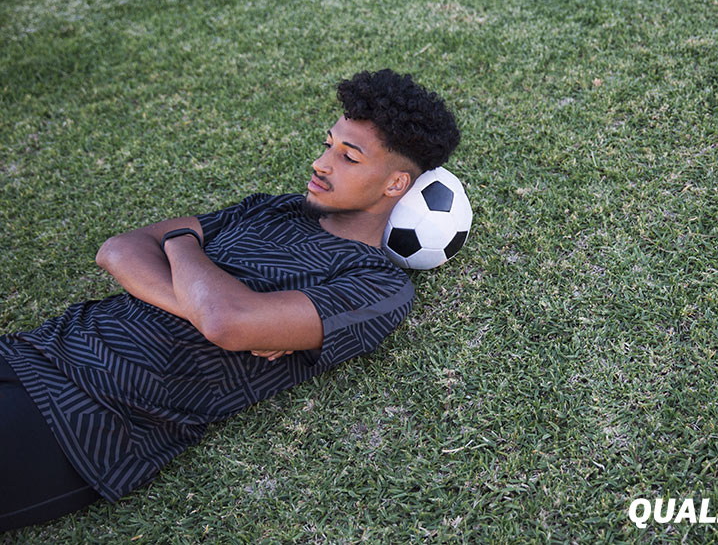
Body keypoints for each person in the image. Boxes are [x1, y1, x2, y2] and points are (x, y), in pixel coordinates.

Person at [0, 69, 460, 532]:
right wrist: (194, 295)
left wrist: (179, 245)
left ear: (395, 184)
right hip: (35, 349)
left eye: (349, 157)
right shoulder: (273, 207)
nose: (321, 163)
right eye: (327, 144)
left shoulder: (377, 285)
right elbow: (118, 250)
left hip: (88, 417)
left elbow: (226, 323)